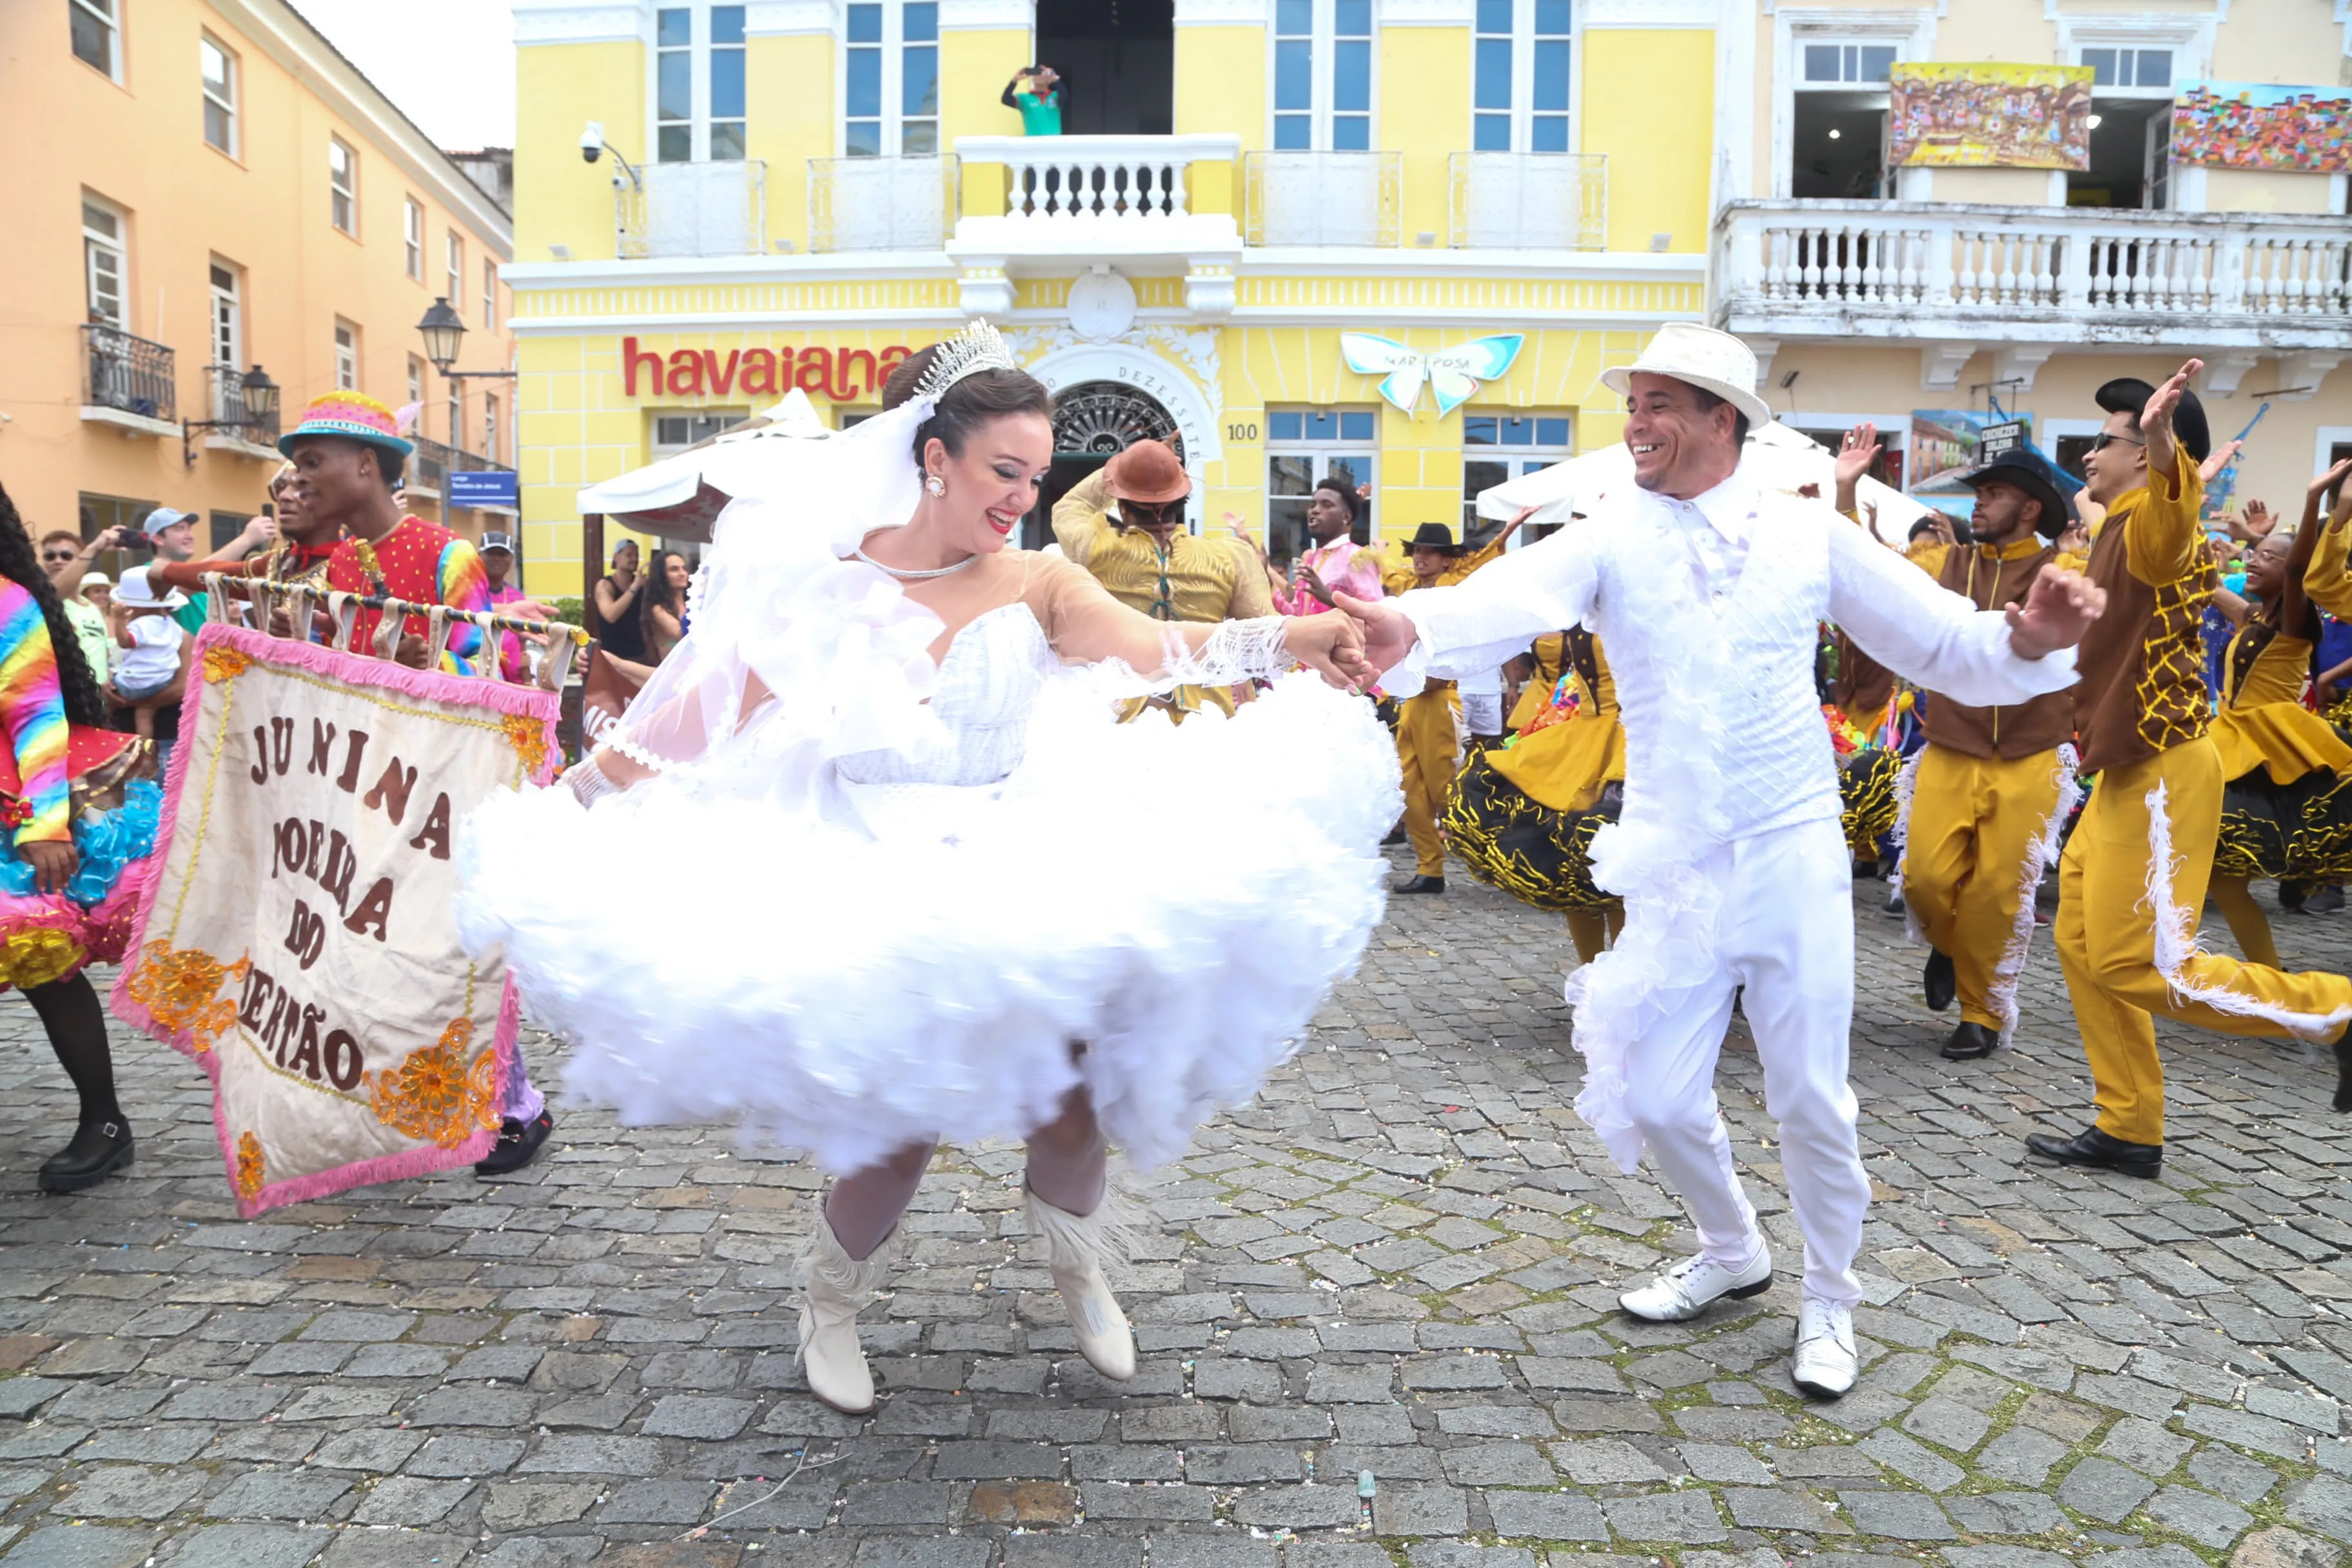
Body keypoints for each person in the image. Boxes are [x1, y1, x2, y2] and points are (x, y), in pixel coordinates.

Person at [458, 322, 1390, 1417]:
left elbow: (1160, 649)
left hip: (1021, 849)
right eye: (1005, 471)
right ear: (933, 456)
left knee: (1072, 1096)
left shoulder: (1040, 578)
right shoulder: (821, 588)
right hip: (871, 872)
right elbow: (695, 719)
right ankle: (830, 1300)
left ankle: (1078, 1267)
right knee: (901, 1125)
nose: (1021, 497)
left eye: (1037, 478)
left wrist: (1301, 635)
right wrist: (565, 806)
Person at [1333, 323, 2102, 1398]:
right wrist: (1397, 621)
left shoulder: (1806, 533)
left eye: (1656, 403)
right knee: (1653, 1093)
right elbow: (1493, 604)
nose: (1635, 424)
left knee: (1807, 1097)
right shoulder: (1606, 536)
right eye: (1633, 403)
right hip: (1676, 860)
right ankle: (1734, 1249)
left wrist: (2027, 641)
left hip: (1789, 849)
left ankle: (1829, 1295)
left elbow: (1939, 644)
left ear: (1718, 418)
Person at [2028, 365, 2352, 1179]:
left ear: (2145, 456)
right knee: (2078, 937)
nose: (2090, 451)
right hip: (2126, 770)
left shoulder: (2153, 517)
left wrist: (2171, 449)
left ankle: (2340, 1010)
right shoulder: (2119, 522)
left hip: (2166, 769)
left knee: (2143, 963)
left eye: (2106, 439)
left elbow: (2172, 517)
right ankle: (2129, 1123)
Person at [277, 391, 558, 1174]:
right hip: (359, 783)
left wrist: (414, 674)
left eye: (313, 462)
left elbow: (480, 669)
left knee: (456, 951)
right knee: (375, 945)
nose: (300, 477)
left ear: (366, 466)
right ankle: (407, 1097)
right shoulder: (331, 563)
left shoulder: (446, 555)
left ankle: (516, 1109)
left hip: (443, 788)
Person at [1877, 441, 2084, 1062]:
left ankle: (1982, 1015)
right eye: (1979, 494)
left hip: (2033, 753)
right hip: (1950, 745)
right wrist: (1842, 490)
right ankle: (1949, 947)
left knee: (2000, 891)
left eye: (1992, 495)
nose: (1979, 504)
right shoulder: (1948, 562)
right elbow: (1874, 574)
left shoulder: (2061, 570)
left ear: (2029, 508)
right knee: (1924, 880)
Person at [0, 480, 165, 1192]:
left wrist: (43, 825)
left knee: (45, 969)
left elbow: (35, 714)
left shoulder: (6, 599)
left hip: (10, 810)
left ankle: (104, 1122)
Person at [2204, 460, 2352, 966]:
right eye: (2255, 555)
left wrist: (2316, 501)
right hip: (2231, 740)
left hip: (2269, 750)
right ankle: (2269, 973)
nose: (2255, 561)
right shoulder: (2255, 617)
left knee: (2229, 864)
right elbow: (2205, 585)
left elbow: (2297, 571)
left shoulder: (2296, 618)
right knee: (2223, 878)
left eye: (2267, 558)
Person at [1446, 622, 1627, 963]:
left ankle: (1629, 982)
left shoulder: (1660, 599)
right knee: (1577, 869)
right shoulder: (1581, 606)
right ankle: (1593, 977)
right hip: (1580, 738)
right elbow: (1572, 684)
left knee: (1624, 875)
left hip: (1633, 746)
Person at [1054, 438, 1273, 719]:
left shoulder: (1094, 548)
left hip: (1122, 717)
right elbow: (1266, 633)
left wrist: (1124, 465)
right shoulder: (1230, 557)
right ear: (1181, 501)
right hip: (1207, 718)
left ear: (1122, 507)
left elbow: (1072, 505)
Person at [1386, 522, 1506, 894]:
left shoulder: (1452, 589)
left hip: (1439, 699)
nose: (1421, 557)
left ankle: (1493, 860)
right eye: (1417, 550)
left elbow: (1478, 571)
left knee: (1446, 791)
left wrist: (1508, 529)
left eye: (1430, 552)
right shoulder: (1409, 590)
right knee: (1407, 790)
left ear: (1446, 559)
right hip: (1411, 700)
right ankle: (1430, 869)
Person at [137, 506, 275, 638]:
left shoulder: (197, 583)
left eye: (189, 529)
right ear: (158, 539)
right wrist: (247, 539)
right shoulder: (145, 575)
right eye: (180, 529)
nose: (190, 535)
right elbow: (188, 582)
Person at [104, 567, 190, 763]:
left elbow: (126, 642)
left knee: (114, 699)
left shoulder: (140, 626)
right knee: (144, 717)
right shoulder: (174, 628)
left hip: (135, 690)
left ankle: (104, 731)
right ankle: (146, 752)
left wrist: (118, 621)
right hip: (158, 684)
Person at [1273, 478, 1384, 616]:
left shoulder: (1357, 558)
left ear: (1346, 517)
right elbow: (1298, 612)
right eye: (1313, 505)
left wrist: (1330, 598)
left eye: (1326, 505)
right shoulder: (1312, 558)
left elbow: (1377, 615)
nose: (1315, 510)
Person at [40, 531, 115, 681]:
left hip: (97, 697)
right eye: (50, 556)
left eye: (66, 556)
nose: (57, 561)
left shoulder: (92, 608)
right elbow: (52, 596)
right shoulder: (42, 600)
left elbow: (102, 650)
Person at [594, 540, 651, 665]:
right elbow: (610, 615)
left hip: (640, 655)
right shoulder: (605, 585)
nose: (634, 559)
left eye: (637, 555)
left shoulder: (643, 585)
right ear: (616, 557)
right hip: (612, 656)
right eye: (629, 555)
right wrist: (635, 587)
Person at [641, 548, 690, 662]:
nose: (682, 573)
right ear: (662, 575)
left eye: (684, 568)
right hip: (673, 674)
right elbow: (683, 634)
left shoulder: (691, 603)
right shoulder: (658, 609)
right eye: (674, 569)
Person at [1001, 65, 1064, 136]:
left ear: (1049, 80)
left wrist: (1055, 78)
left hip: (1053, 143)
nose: (1039, 76)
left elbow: (1065, 96)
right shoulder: (1024, 99)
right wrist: (1015, 80)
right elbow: (1006, 99)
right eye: (1036, 73)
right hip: (1032, 144)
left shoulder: (1055, 96)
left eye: (1042, 73)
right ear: (1032, 79)